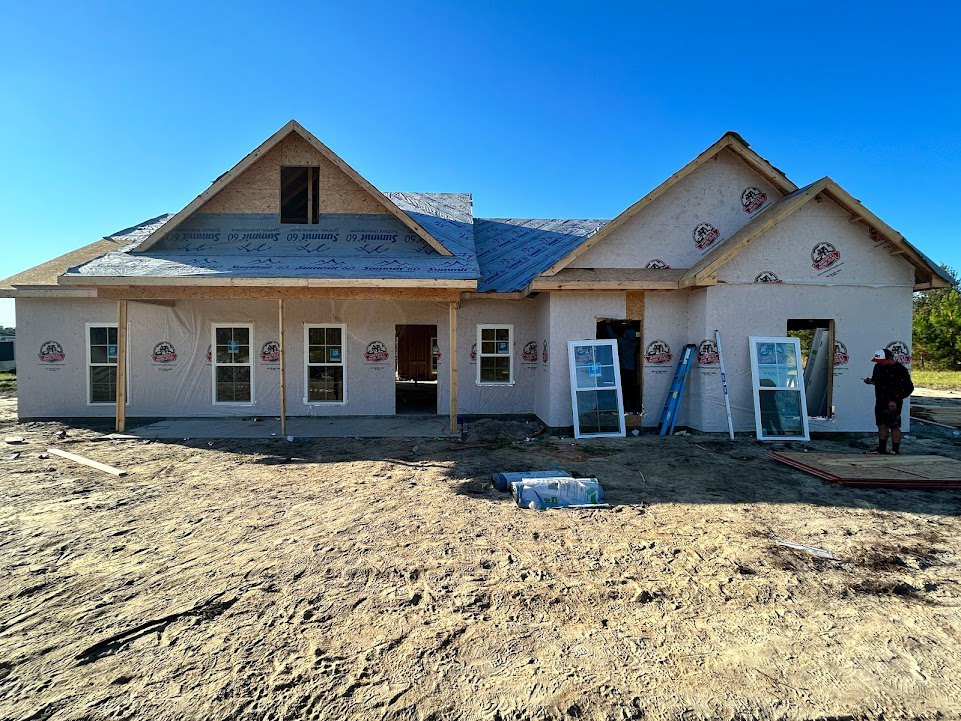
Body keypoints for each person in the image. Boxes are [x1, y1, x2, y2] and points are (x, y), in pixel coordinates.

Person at [863, 348, 914, 454]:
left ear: (890, 358)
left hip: (894, 403)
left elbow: (909, 388)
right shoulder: (878, 367)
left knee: (894, 426)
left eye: (882, 360)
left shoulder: (900, 370)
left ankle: (895, 450)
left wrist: (895, 400)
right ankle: (881, 449)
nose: (879, 363)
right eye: (878, 361)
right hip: (880, 400)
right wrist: (871, 381)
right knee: (881, 424)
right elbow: (876, 380)